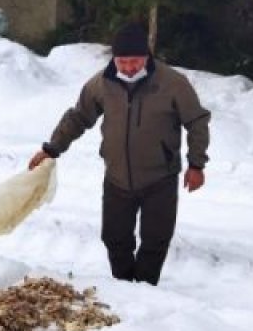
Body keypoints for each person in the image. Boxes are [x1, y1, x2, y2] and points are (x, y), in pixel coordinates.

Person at [29, 22, 210, 285]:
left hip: (160, 177)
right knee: (115, 238)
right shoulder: (101, 83)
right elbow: (79, 117)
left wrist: (196, 165)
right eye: (122, 61)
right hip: (117, 177)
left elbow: (197, 121)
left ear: (146, 56)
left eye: (134, 61)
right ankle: (124, 287)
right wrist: (51, 149)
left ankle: (145, 288)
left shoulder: (172, 83)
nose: (128, 68)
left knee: (155, 240)